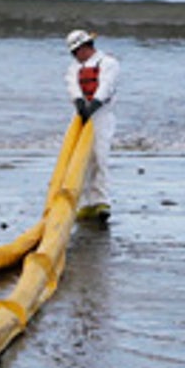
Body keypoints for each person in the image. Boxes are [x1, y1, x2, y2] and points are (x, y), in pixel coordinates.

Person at [63, 29, 120, 224]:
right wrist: (79, 103)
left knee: (99, 156)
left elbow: (106, 86)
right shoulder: (74, 68)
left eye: (75, 51)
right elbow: (72, 85)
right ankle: (85, 203)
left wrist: (94, 104)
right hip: (80, 116)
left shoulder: (109, 63)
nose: (74, 56)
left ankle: (101, 201)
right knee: (80, 159)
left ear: (84, 47)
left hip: (102, 115)